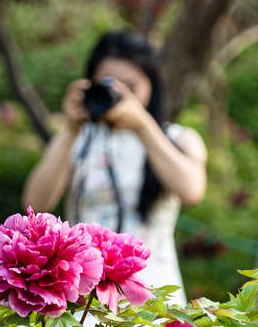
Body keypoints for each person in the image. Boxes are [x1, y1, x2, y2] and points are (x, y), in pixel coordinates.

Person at [22, 30, 207, 306]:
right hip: (82, 290)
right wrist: (71, 130)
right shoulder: (77, 141)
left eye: (130, 87)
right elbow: (34, 204)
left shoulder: (177, 138)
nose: (119, 94)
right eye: (108, 84)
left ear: (152, 86)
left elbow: (192, 190)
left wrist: (143, 125)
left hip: (153, 291)